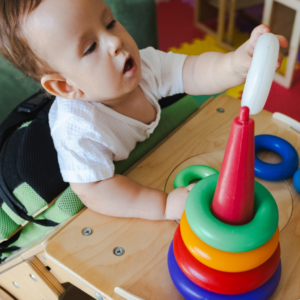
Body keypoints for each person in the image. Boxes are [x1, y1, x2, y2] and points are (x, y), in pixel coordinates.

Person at [0, 0, 288, 221]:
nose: (115, 41)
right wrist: (162, 206)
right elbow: (95, 190)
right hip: (65, 178)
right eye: (90, 47)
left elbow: (194, 70)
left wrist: (236, 64)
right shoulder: (77, 129)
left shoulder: (145, 65)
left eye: (110, 23)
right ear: (65, 87)